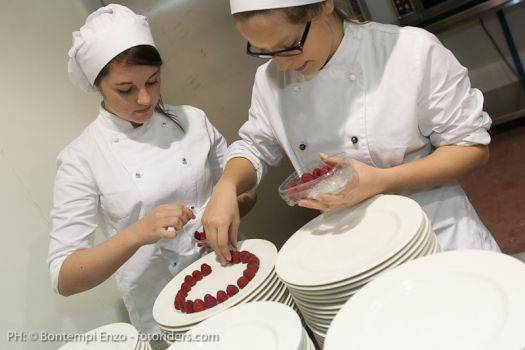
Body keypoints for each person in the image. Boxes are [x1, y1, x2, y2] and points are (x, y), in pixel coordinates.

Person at [202, 0, 500, 264]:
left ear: (324, 6)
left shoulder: (411, 51)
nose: (283, 63)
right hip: (351, 254)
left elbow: (471, 148)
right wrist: (226, 185)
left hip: (436, 237)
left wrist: (382, 181)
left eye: (290, 43)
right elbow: (255, 146)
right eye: (264, 51)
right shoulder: (270, 79)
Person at [47, 4, 256, 342]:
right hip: (167, 311)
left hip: (233, 272)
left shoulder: (193, 119)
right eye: (125, 89)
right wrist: (138, 232)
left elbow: (244, 192)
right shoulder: (81, 158)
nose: (145, 98)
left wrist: (224, 209)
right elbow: (64, 277)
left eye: (153, 81)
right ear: (97, 85)